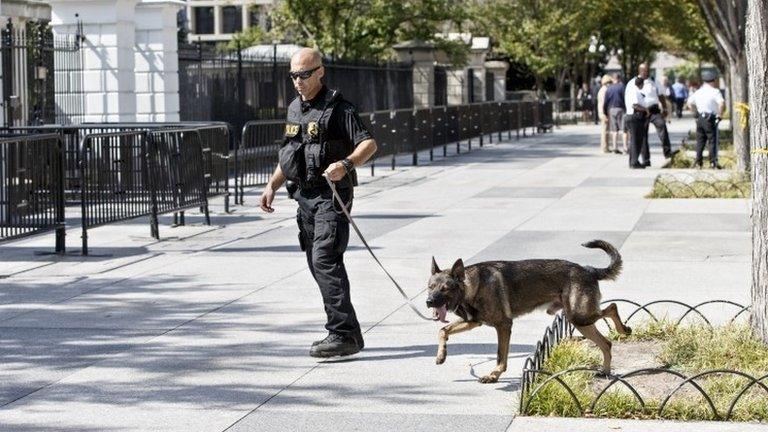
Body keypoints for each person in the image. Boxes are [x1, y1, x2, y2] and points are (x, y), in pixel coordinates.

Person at [259, 48, 378, 357]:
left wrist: (347, 165)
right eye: (294, 76)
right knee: (316, 261)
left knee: (325, 258)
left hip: (332, 195)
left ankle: (342, 334)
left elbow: (369, 143)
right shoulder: (295, 109)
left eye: (305, 75)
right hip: (305, 197)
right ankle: (348, 332)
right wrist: (272, 185)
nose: (298, 81)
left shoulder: (339, 109)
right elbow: (290, 153)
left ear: (320, 72)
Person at [627, 63, 673, 165]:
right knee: (643, 136)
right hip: (641, 111)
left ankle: (668, 152)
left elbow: (661, 95)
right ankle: (646, 160)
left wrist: (665, 109)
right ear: (639, 71)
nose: (646, 72)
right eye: (644, 70)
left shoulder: (654, 81)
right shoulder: (634, 82)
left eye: (648, 70)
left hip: (654, 110)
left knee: (662, 125)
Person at [687, 70, 725, 169]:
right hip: (710, 118)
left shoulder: (698, 92)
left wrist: (695, 113)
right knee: (712, 140)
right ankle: (713, 162)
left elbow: (689, 103)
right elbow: (721, 103)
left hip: (700, 118)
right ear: (713, 80)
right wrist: (720, 115)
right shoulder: (715, 91)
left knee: (700, 141)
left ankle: (698, 162)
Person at [625, 76, 649, 169]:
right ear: (641, 84)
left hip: (633, 117)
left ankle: (633, 161)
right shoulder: (634, 91)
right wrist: (646, 110)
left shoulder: (633, 91)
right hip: (635, 117)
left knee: (635, 141)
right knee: (636, 141)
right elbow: (635, 105)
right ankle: (634, 162)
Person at [603, 73, 627, 154]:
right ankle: (625, 148)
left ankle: (615, 148)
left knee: (614, 130)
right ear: (619, 79)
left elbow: (605, 101)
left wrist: (605, 112)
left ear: (613, 79)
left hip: (611, 109)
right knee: (624, 130)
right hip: (621, 109)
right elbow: (625, 98)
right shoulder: (622, 87)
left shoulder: (609, 88)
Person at [596, 74, 613, 153]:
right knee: (605, 131)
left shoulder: (602, 89)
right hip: (604, 112)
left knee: (605, 130)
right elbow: (604, 103)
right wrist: (605, 113)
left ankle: (605, 147)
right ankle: (604, 147)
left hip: (602, 111)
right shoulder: (604, 90)